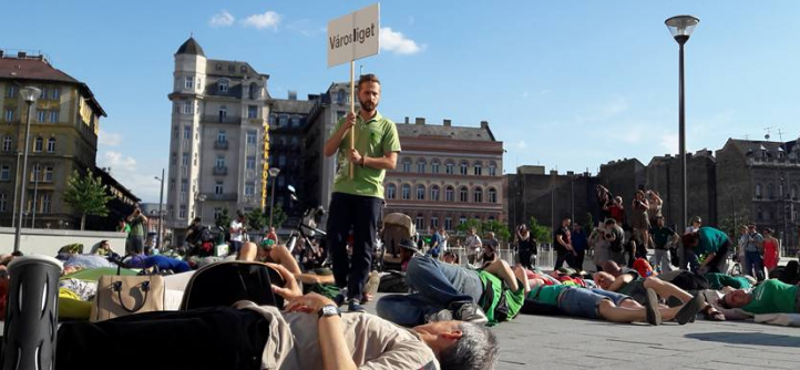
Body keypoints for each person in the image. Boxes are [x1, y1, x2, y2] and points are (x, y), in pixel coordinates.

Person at [58, 262, 499, 370]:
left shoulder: (420, 360)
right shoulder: (408, 345)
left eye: (443, 320)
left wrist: (326, 309)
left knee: (104, 345)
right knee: (115, 338)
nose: (434, 320)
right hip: (255, 332)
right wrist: (306, 299)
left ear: (454, 334)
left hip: (255, 347)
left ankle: (26, 351)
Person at [323, 73, 401, 312]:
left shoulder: (387, 126)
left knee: (363, 246)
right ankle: (345, 284)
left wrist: (363, 159)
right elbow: (328, 150)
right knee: (334, 240)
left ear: (380, 97)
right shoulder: (347, 121)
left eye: (375, 93)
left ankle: (354, 295)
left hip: (370, 192)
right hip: (343, 188)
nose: (371, 97)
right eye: (366, 92)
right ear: (358, 94)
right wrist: (344, 128)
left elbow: (391, 162)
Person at [377, 255, 526, 327]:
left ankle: (462, 305)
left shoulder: (517, 296)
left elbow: (502, 264)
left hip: (473, 284)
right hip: (454, 302)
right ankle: (440, 315)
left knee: (417, 263)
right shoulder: (508, 306)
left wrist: (515, 277)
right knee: (384, 304)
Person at [522, 282, 705, 326]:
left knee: (628, 302)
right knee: (605, 306)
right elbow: (521, 287)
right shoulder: (527, 290)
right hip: (563, 295)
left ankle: (671, 311)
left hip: (583, 285)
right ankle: (676, 311)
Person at [719, 279, 799, 317]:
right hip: (795, 301)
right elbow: (726, 312)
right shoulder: (751, 307)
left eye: (733, 292)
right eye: (733, 299)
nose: (735, 294)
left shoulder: (754, 290)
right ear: (736, 307)